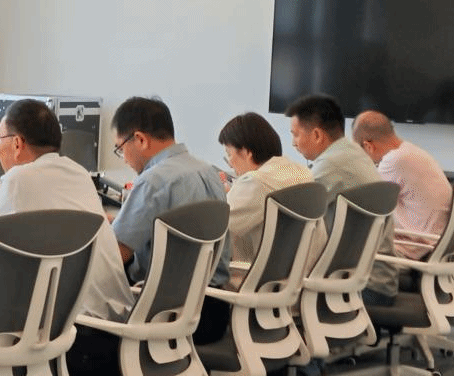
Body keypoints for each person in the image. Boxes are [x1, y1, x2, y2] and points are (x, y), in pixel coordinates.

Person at [0, 99, 133, 319]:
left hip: (78, 327)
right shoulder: (79, 173)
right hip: (118, 318)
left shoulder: (17, 180)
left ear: (17, 144)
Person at [286, 94, 399, 305]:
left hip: (362, 287)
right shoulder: (351, 152)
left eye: (296, 135)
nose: (293, 143)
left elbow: (291, 210)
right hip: (373, 278)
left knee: (269, 284)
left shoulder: (333, 163)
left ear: (317, 135)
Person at [110, 97, 230, 288]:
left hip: (162, 299)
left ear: (140, 140)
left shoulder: (152, 181)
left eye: (121, 149)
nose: (124, 159)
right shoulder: (209, 172)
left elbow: (115, 254)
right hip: (211, 296)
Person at [218, 111, 323, 266]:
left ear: (246, 152)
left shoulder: (256, 182)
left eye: (229, 154)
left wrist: (224, 196)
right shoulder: (301, 172)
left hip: (263, 277)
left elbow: (215, 228)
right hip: (304, 273)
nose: (230, 164)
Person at [352, 110, 452, 260]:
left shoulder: (393, 161)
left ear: (368, 146)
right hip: (434, 238)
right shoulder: (409, 150)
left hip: (416, 246)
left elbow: (368, 205)